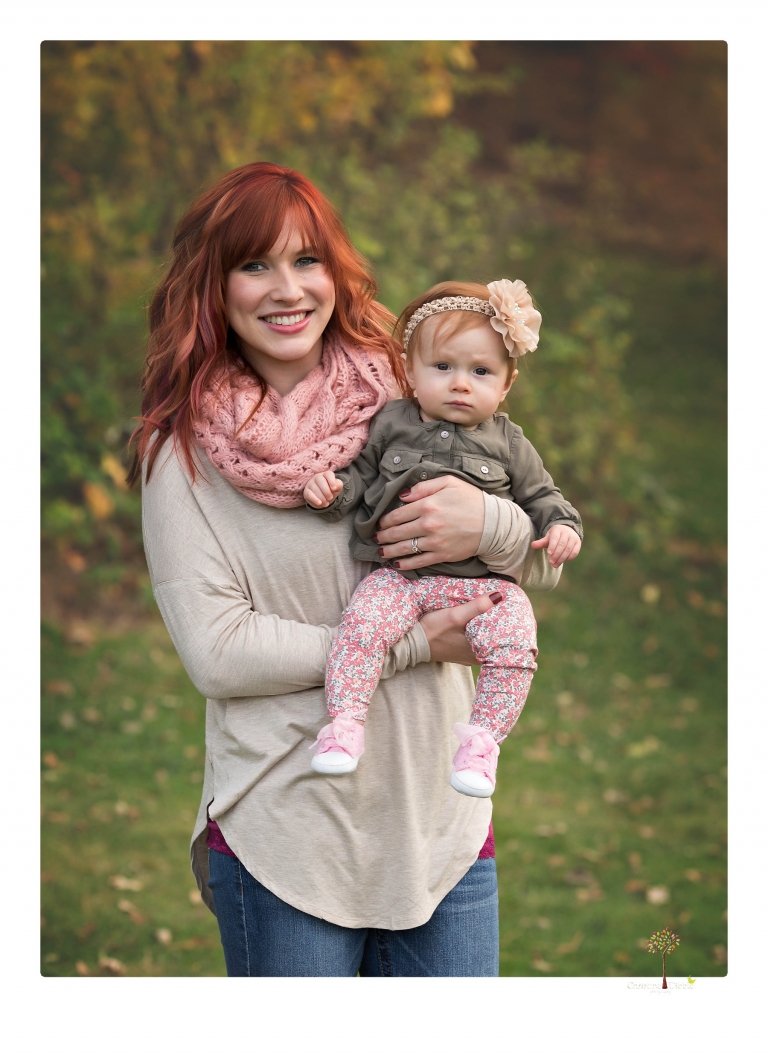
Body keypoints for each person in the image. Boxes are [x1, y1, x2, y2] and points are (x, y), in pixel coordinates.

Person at [130, 161, 562, 977]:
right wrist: (412, 645)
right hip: (288, 837)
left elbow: (535, 564)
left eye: (306, 260)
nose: (286, 289)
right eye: (254, 264)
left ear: (335, 271)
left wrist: (490, 523)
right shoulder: (180, 453)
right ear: (212, 289)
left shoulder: (415, 389)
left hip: (440, 826)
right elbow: (218, 652)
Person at [303, 280, 582, 797]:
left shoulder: (509, 442)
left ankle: (482, 744)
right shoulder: (391, 422)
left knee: (517, 640)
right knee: (361, 627)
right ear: (409, 372)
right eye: (443, 367)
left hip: (480, 588)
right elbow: (360, 479)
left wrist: (562, 528)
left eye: (480, 372)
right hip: (400, 578)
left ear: (506, 384)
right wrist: (334, 491)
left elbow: (544, 497)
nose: (460, 383)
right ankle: (344, 727)